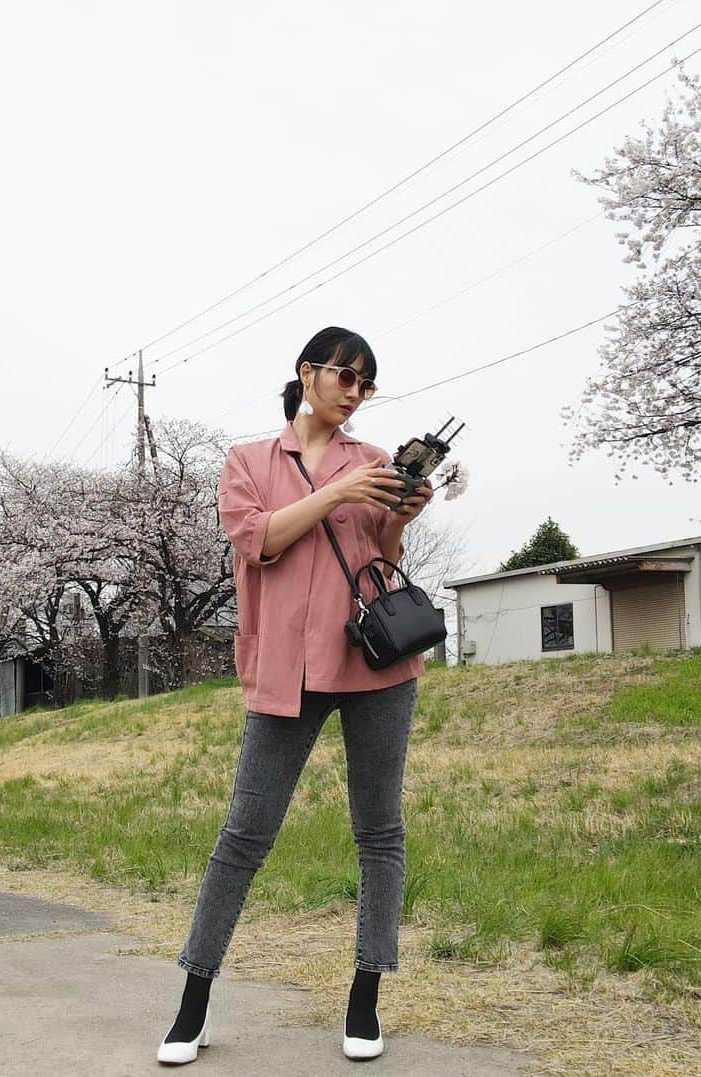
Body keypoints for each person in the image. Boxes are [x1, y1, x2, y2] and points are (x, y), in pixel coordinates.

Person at [157, 327, 435, 1064]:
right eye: (346, 375)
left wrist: (402, 511)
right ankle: (193, 999)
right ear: (307, 373)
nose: (355, 391)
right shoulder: (248, 461)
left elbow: (381, 555)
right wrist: (341, 492)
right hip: (284, 668)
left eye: (366, 383)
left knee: (380, 832)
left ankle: (366, 994)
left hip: (375, 663)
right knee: (243, 836)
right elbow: (261, 540)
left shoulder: (373, 460)